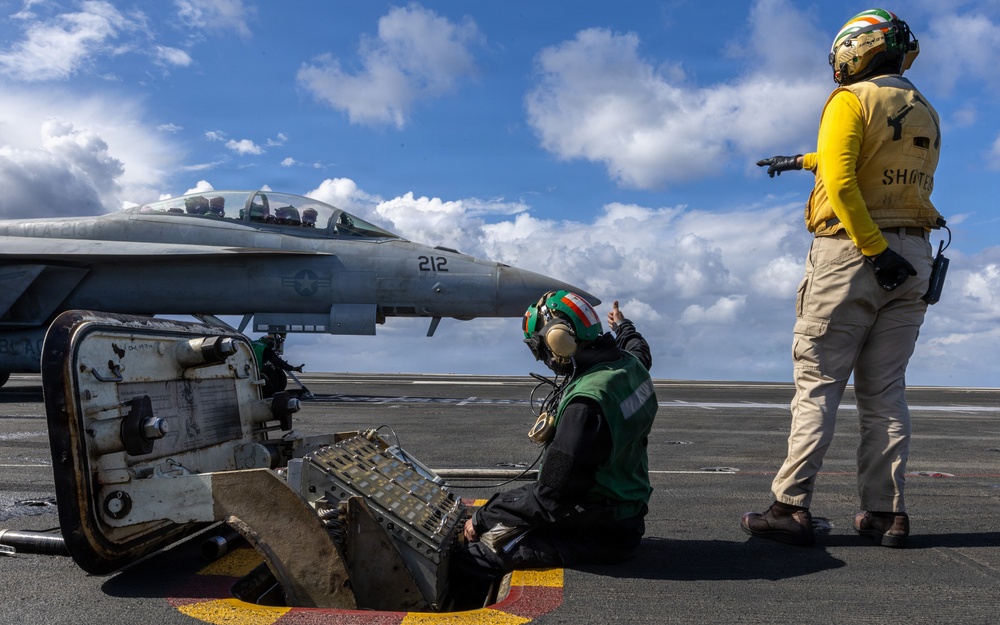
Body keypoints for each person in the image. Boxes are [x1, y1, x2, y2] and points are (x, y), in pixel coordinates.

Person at [742, 9, 943, 549]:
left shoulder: (850, 99)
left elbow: (845, 182)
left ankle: (789, 507)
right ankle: (886, 513)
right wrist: (803, 160)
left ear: (858, 47)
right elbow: (878, 161)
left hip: (854, 254)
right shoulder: (924, 109)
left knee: (818, 387)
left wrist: (873, 250)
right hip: (914, 256)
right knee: (885, 394)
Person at [453, 291, 656, 595]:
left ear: (557, 339)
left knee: (474, 556)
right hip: (625, 515)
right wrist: (623, 326)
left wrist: (483, 517)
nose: (543, 359)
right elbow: (639, 349)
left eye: (539, 348)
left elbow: (549, 497)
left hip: (600, 531)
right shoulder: (629, 366)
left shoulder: (585, 407)